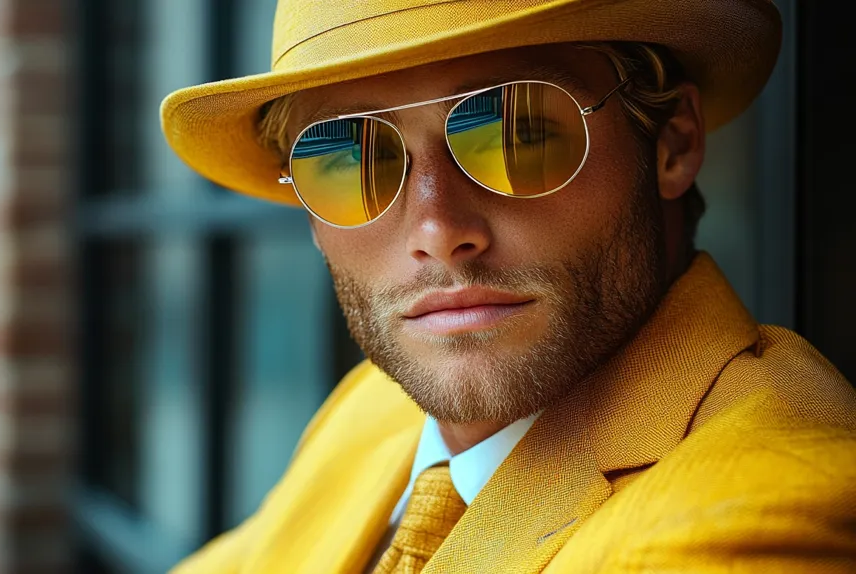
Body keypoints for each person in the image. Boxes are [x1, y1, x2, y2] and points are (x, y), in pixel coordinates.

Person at [160, 1, 856, 572]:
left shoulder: (764, 514)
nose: (436, 226)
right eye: (348, 158)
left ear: (672, 141)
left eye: (514, 131)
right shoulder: (378, 409)